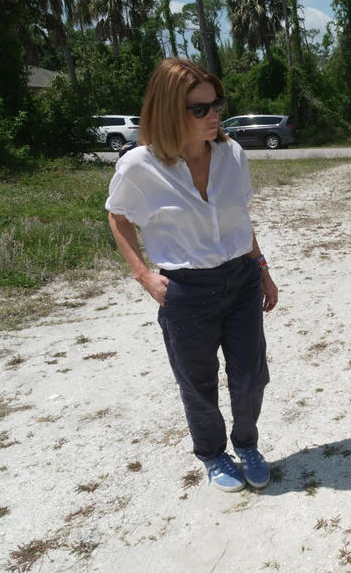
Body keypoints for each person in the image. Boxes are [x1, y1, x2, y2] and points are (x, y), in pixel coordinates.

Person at [106, 58, 279, 493]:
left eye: (215, 104)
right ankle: (213, 454)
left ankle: (247, 444)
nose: (213, 115)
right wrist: (143, 274)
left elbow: (240, 219)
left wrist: (262, 269)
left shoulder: (232, 156)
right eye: (199, 108)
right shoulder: (139, 166)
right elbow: (117, 216)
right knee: (197, 381)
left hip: (239, 279)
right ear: (167, 110)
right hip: (187, 289)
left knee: (250, 375)